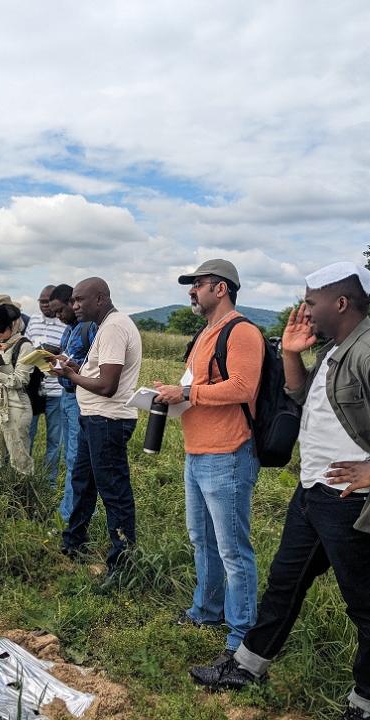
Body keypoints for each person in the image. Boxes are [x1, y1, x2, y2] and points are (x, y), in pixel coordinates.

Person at [190, 262, 370, 720]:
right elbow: (307, 398)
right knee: (285, 583)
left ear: (340, 303)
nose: (304, 308)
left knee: (368, 606)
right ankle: (248, 665)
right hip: (313, 494)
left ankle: (369, 713)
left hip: (350, 502)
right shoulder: (337, 350)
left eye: (312, 300)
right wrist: (289, 354)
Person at [153, 259, 264, 657]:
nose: (191, 291)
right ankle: (207, 610)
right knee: (202, 540)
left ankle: (241, 636)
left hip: (229, 453)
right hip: (197, 452)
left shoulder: (243, 332)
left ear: (221, 289)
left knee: (233, 548)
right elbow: (194, 384)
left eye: (198, 284)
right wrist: (173, 390)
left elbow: (242, 387)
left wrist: (186, 394)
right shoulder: (205, 334)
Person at [57, 278, 142, 586]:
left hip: (107, 420)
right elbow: (98, 374)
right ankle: (73, 543)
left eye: (80, 300)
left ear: (101, 298)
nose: (74, 305)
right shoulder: (106, 327)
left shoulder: (114, 327)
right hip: (94, 419)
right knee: (83, 481)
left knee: (114, 491)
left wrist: (70, 376)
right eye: (73, 300)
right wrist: (72, 371)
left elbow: (107, 386)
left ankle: (122, 564)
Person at [46, 284, 96, 522]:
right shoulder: (69, 330)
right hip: (66, 396)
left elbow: (90, 365)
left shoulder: (89, 328)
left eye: (60, 311)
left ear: (71, 303)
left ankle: (72, 516)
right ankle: (72, 508)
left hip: (80, 399)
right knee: (70, 455)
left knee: (77, 457)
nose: (58, 316)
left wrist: (66, 367)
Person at [0, 304, 36, 485]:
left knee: (19, 458)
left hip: (15, 404)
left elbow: (20, 380)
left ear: (15, 324)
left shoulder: (25, 346)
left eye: (2, 330)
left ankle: (24, 500)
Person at [25, 285, 69, 485]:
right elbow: (25, 346)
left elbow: (70, 355)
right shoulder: (33, 321)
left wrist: (55, 351)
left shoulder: (65, 323)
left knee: (54, 439)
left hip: (56, 389)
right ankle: (25, 475)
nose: (44, 305)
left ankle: (49, 481)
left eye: (47, 302)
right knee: (28, 434)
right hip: (33, 388)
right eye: (40, 301)